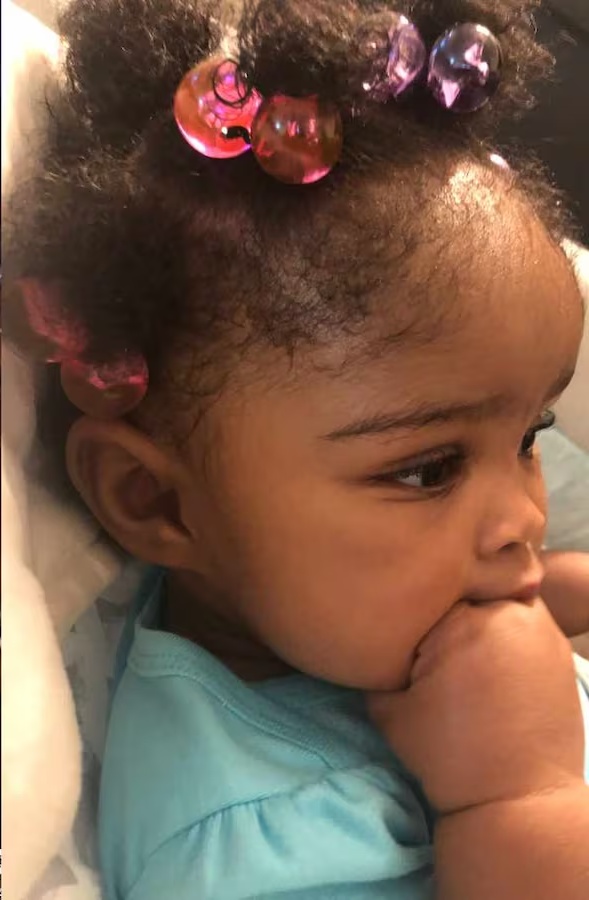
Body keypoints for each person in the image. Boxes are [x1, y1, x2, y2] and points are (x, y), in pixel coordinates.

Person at [4, 1, 589, 897]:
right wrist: (515, 799)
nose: (523, 517)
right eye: (428, 470)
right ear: (154, 502)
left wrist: (553, 589)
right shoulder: (238, 846)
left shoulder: (330, 600)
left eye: (527, 437)